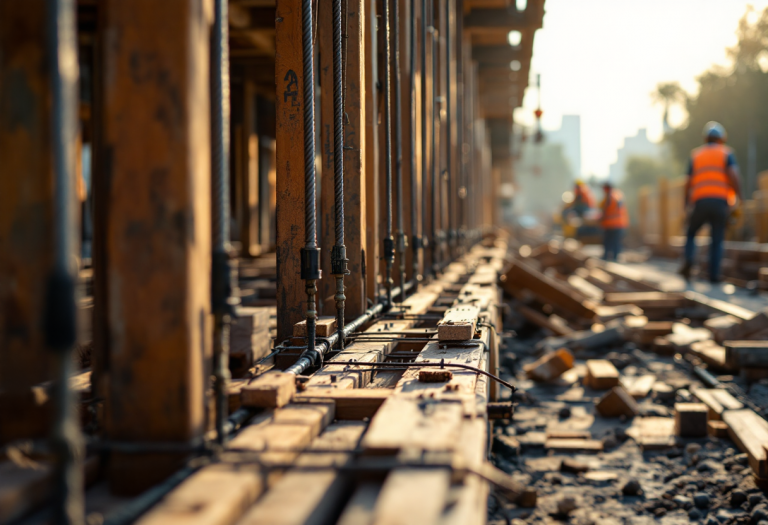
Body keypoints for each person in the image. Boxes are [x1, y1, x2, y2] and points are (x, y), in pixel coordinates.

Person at [679, 122, 741, 283]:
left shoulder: (696, 155)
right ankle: (713, 276)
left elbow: (688, 182)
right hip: (721, 202)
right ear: (721, 139)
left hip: (700, 202)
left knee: (691, 232)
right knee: (717, 238)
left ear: (706, 139)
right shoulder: (726, 153)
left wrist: (686, 203)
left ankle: (689, 260)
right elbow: (734, 175)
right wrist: (739, 197)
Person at [599, 181, 628, 261]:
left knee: (608, 240)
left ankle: (606, 256)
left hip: (610, 223)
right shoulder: (618, 194)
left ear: (606, 188)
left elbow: (605, 210)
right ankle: (615, 257)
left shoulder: (609, 197)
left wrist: (600, 219)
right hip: (620, 223)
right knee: (616, 241)